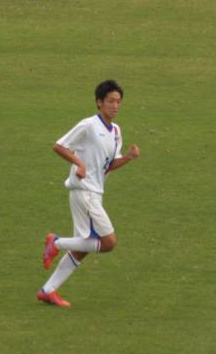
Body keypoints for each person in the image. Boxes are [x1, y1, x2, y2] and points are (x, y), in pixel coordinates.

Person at [37, 80, 140, 308]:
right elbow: (59, 146)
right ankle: (56, 242)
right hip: (85, 192)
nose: (115, 106)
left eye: (119, 101)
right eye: (111, 101)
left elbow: (108, 165)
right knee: (108, 242)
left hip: (95, 192)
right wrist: (79, 163)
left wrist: (128, 158)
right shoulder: (88, 125)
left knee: (83, 248)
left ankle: (47, 291)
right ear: (99, 102)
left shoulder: (116, 132)